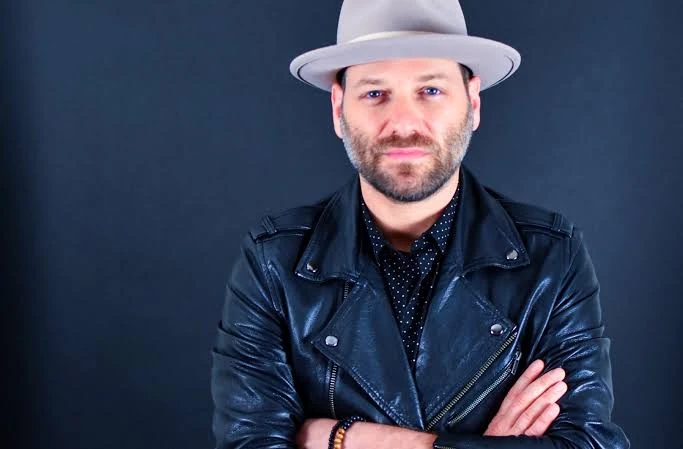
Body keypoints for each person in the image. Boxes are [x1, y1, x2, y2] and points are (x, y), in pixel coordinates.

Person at [211, 1, 629, 448]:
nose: (404, 123)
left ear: (472, 102)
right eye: (375, 93)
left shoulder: (551, 258)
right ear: (338, 109)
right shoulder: (273, 262)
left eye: (430, 90)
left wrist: (342, 439)